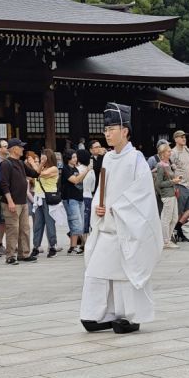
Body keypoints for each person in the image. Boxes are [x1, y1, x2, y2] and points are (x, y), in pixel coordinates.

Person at [81, 103, 163, 334]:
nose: (107, 133)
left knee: (125, 275)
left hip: (125, 225)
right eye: (105, 129)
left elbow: (143, 193)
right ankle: (98, 314)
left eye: (112, 129)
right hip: (107, 225)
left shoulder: (136, 158)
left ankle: (131, 317)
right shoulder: (106, 159)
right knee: (96, 272)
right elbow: (101, 190)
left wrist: (118, 208)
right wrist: (99, 205)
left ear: (125, 131)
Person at [1, 138, 32, 264]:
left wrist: (40, 163)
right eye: (21, 147)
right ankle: (10, 256)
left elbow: (34, 173)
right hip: (12, 201)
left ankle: (24, 253)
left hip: (23, 201)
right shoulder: (6, 164)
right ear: (14, 149)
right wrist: (10, 201)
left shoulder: (20, 163)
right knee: (13, 229)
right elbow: (4, 184)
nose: (23, 149)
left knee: (25, 228)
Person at [30, 148, 61, 259]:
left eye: (44, 156)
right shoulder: (42, 167)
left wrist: (34, 163)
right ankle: (36, 247)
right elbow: (35, 173)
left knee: (49, 223)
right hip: (38, 199)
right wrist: (39, 164)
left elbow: (40, 174)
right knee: (37, 224)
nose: (42, 157)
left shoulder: (54, 169)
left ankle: (52, 246)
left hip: (48, 199)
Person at [61, 148, 89, 254]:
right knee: (76, 222)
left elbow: (79, 180)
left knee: (78, 223)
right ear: (68, 158)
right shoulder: (65, 169)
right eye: (73, 157)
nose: (75, 159)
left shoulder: (75, 169)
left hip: (79, 198)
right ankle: (78, 245)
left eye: (76, 157)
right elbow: (76, 180)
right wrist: (86, 170)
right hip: (70, 198)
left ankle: (73, 246)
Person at [152, 142, 178, 248]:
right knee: (166, 218)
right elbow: (158, 183)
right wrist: (173, 182)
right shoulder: (160, 165)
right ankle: (165, 241)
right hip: (167, 195)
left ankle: (167, 237)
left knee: (174, 218)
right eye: (168, 151)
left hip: (172, 193)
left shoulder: (168, 164)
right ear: (162, 153)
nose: (170, 152)